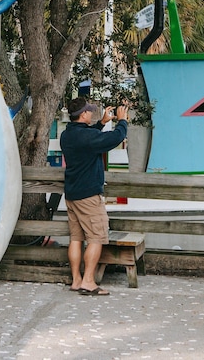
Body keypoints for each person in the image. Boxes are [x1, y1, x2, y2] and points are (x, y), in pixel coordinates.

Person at [58, 97, 128, 296]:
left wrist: (103, 123)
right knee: (96, 237)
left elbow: (88, 138)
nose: (91, 113)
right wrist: (122, 121)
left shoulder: (67, 135)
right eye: (89, 111)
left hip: (72, 194)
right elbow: (113, 139)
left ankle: (76, 280)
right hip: (88, 195)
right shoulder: (86, 137)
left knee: (76, 238)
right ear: (83, 115)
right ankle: (88, 282)